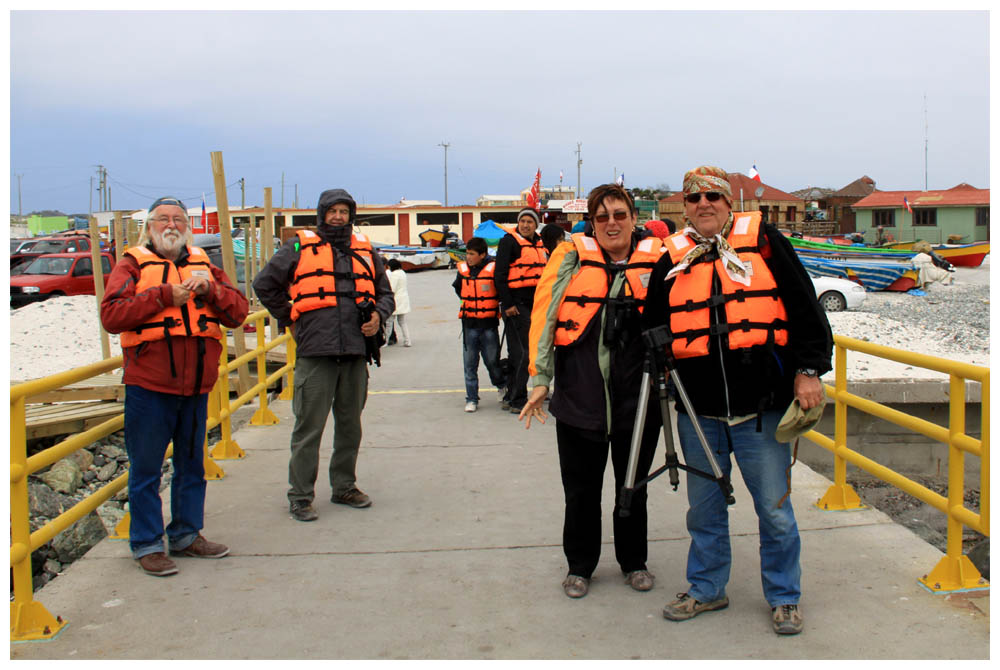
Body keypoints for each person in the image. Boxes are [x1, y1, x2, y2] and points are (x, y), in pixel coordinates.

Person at [642, 166, 832, 636]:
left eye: (712, 196)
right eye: (693, 198)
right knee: (703, 509)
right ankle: (707, 588)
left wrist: (809, 372)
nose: (703, 204)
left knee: (773, 508)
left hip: (760, 409)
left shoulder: (765, 242)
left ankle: (784, 596)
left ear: (729, 203)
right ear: (683, 207)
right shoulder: (673, 258)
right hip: (697, 411)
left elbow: (806, 309)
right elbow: (652, 322)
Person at [519, 183, 666, 599]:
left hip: (636, 401)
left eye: (620, 215)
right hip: (579, 397)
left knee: (633, 485)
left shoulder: (657, 260)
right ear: (592, 223)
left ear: (634, 219)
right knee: (580, 490)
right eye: (602, 217)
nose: (612, 223)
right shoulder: (570, 256)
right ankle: (580, 565)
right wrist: (539, 378)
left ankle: (633, 561)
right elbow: (545, 315)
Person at [99, 196, 249, 577]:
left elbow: (238, 312)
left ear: (188, 226)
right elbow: (112, 315)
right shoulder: (131, 263)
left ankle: (186, 534)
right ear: (149, 225)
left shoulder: (204, 264)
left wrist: (209, 291)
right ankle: (147, 544)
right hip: (149, 385)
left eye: (178, 219)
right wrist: (163, 295)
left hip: (197, 385)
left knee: (191, 465)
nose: (172, 225)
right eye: (163, 219)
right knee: (147, 468)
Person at [252, 189, 395, 522]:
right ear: (321, 214)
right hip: (316, 352)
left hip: (356, 352)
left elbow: (385, 294)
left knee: (350, 425)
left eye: (344, 211)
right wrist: (291, 318)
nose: (338, 217)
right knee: (309, 427)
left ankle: (344, 486)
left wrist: (378, 315)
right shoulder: (298, 247)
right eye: (332, 211)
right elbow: (265, 285)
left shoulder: (365, 250)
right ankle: (300, 495)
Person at [494, 207, 548, 413]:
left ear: (536, 224)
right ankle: (517, 398)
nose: (526, 225)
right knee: (522, 352)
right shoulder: (509, 242)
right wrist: (507, 304)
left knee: (530, 351)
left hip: (535, 305)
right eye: (523, 221)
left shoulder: (539, 243)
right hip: (516, 306)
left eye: (530, 222)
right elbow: (500, 275)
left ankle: (512, 394)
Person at [452, 237, 507, 413]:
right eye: (467, 253)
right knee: (470, 364)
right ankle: (471, 398)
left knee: (492, 362)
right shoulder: (462, 271)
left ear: (482, 255)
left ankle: (501, 384)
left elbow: (500, 291)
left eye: (472, 254)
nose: (468, 257)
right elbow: (459, 289)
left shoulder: (493, 270)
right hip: (469, 325)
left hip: (489, 325)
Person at [384, 258, 412, 347]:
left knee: (389, 322)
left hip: (396, 301)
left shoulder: (394, 275)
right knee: (402, 322)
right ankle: (407, 341)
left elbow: (392, 289)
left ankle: (386, 341)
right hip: (403, 299)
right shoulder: (402, 273)